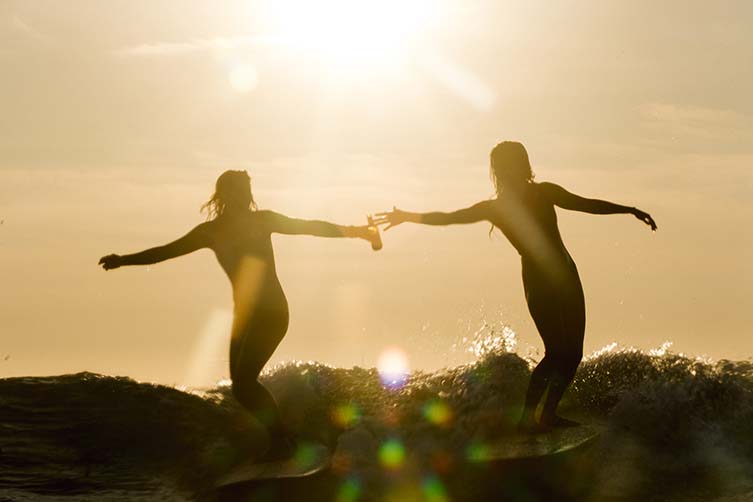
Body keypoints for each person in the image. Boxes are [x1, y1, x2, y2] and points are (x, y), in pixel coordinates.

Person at [374, 141, 656, 432]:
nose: (511, 169)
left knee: (573, 354)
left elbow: (586, 205)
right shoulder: (496, 208)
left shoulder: (544, 192)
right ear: (499, 169)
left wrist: (629, 210)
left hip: (566, 274)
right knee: (556, 352)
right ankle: (526, 418)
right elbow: (449, 218)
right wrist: (407, 216)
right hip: (539, 280)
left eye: (515, 162)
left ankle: (546, 414)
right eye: (505, 164)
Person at [99, 170, 381, 457]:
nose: (244, 196)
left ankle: (282, 442)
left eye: (246, 190)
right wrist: (124, 260)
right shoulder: (210, 232)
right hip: (244, 319)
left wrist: (357, 231)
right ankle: (283, 438)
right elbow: (166, 251)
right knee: (241, 388)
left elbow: (310, 227)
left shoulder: (263, 221)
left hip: (272, 313)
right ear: (224, 194)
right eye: (237, 190)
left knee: (245, 382)